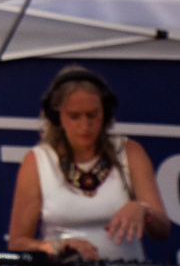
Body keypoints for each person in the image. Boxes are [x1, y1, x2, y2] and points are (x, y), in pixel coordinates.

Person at [9, 66, 170, 260]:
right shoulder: (38, 161)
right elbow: (18, 244)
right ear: (56, 116)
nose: (85, 126)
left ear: (106, 112)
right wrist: (57, 246)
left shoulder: (129, 151)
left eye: (92, 115)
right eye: (74, 116)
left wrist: (143, 210)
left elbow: (162, 231)